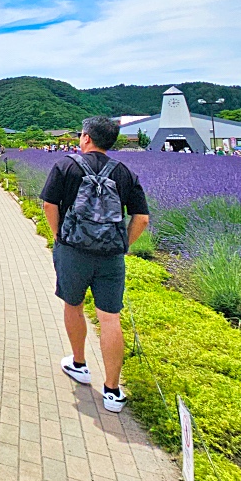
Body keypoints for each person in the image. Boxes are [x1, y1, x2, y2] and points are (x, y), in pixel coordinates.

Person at [40, 116, 150, 413]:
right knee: (110, 318)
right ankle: (112, 392)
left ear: (86, 138)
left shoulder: (65, 165)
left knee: (73, 305)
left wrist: (58, 236)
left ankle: (79, 364)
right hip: (111, 256)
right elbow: (141, 218)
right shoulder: (125, 172)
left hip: (73, 250)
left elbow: (49, 205)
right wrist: (123, 245)